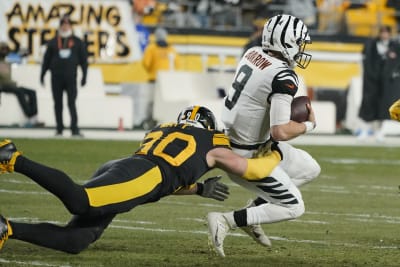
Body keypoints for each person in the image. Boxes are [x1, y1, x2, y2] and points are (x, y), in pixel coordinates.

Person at [0, 105, 283, 254]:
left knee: (78, 239)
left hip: (130, 168)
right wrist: (276, 155)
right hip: (145, 174)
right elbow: (251, 170)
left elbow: (167, 181)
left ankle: (6, 228)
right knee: (79, 201)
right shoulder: (213, 141)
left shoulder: (166, 128)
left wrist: (197, 189)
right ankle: (13, 158)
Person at [207, 14, 321, 257]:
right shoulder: (283, 76)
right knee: (295, 207)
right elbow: (279, 131)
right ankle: (227, 220)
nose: (301, 50)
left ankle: (253, 213)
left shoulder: (252, 53)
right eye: (299, 43)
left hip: (243, 143)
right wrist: (309, 125)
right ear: (287, 42)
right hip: (246, 155)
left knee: (309, 168)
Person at [40, 14, 88, 137]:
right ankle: (59, 128)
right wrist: (42, 74)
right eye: (63, 25)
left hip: (71, 77)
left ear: (70, 26)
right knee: (57, 103)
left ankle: (74, 128)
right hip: (56, 77)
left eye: (67, 24)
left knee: (71, 103)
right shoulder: (53, 42)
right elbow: (46, 60)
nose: (65, 27)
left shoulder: (77, 42)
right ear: (60, 26)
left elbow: (84, 61)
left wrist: (84, 76)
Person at [357, 25, 400, 141]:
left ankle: (379, 132)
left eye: (386, 32)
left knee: (383, 107)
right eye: (382, 32)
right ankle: (364, 130)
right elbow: (365, 60)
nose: (384, 35)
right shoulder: (371, 45)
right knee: (368, 104)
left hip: (386, 82)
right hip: (371, 81)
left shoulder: (395, 46)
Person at [140, 27, 181, 129]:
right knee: (163, 102)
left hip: (154, 79)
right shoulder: (171, 49)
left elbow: (146, 63)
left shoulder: (151, 48)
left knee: (151, 102)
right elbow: (177, 65)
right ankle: (164, 120)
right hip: (167, 81)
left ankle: (149, 120)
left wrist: (152, 70)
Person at [0, 42, 43, 128]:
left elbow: (18, 58)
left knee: (32, 92)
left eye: (6, 49)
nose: (5, 51)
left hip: (11, 85)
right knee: (19, 92)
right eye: (3, 49)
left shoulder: (6, 62)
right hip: (3, 86)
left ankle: (34, 118)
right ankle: (30, 116)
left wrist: (23, 55)